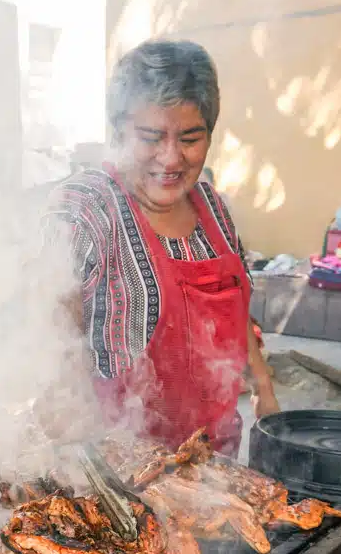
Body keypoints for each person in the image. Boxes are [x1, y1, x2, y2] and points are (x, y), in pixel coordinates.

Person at [43, 39, 279, 457]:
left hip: (210, 463)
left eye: (190, 138)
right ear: (118, 132)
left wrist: (262, 386)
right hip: (118, 471)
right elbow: (50, 326)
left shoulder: (214, 208)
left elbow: (237, 304)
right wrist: (68, 416)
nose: (171, 159)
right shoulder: (86, 208)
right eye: (151, 137)